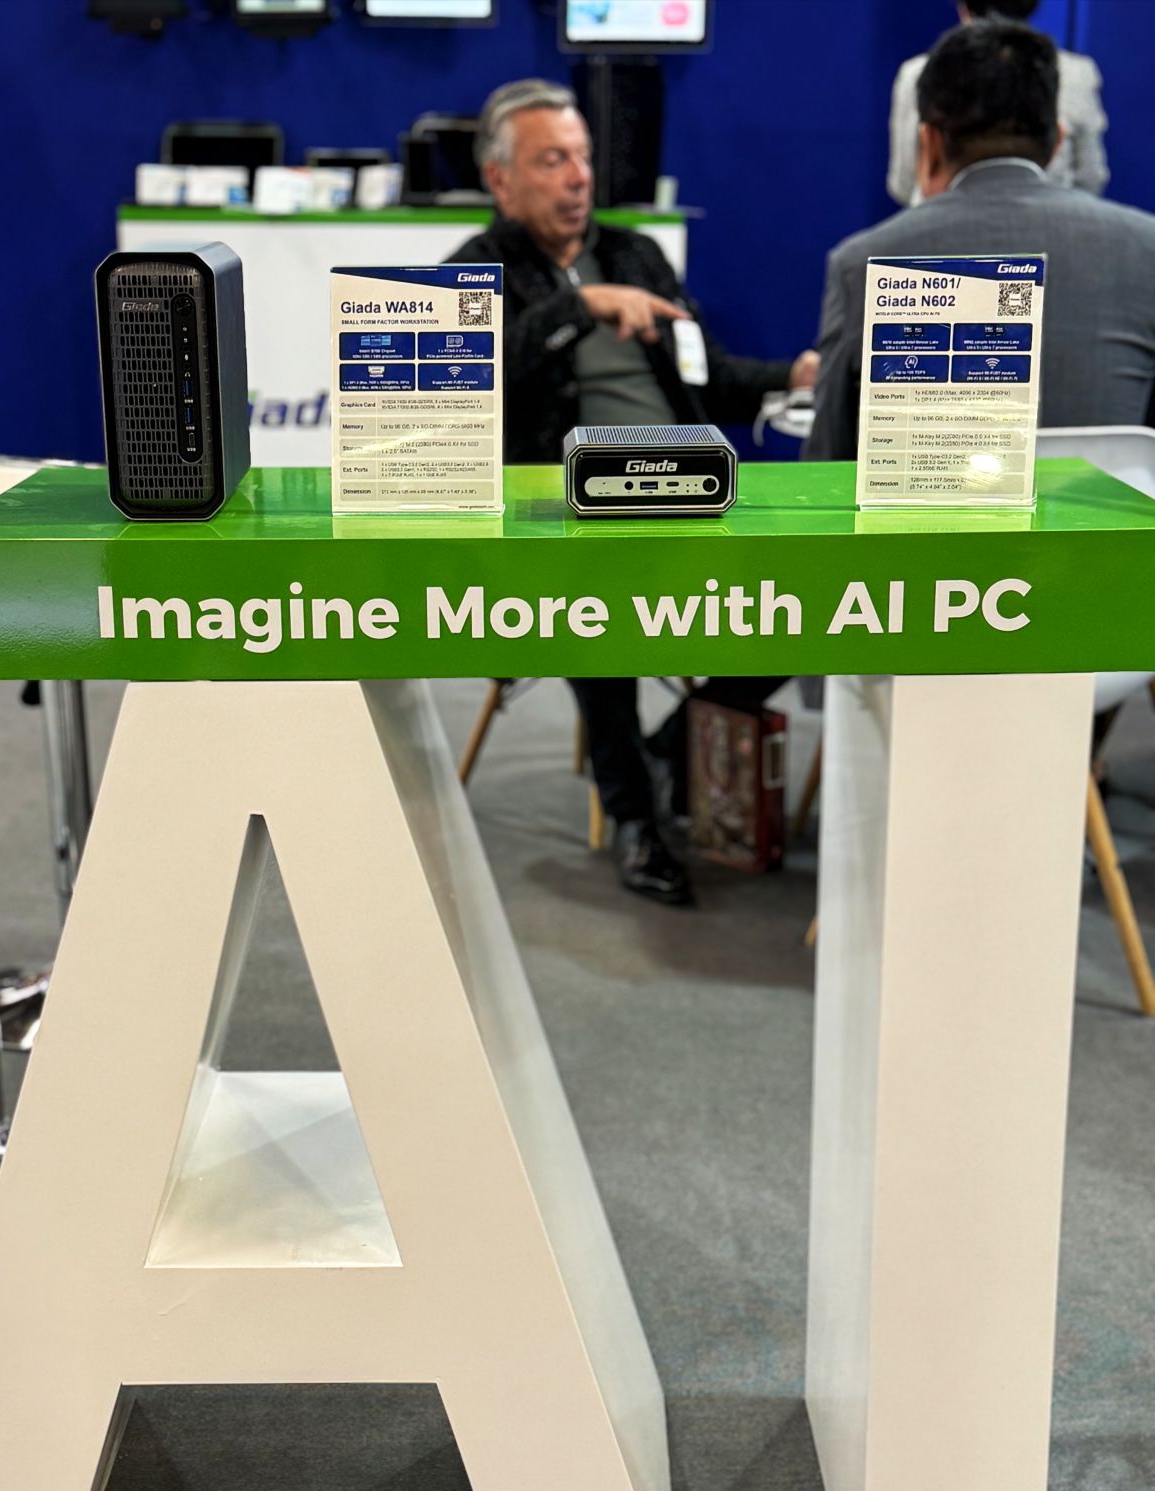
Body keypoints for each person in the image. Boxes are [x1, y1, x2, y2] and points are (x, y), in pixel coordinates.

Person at [449, 79, 815, 905]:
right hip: (562, 518)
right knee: (590, 597)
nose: (579, 177)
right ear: (500, 179)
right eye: (552, 160)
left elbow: (707, 375)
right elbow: (478, 378)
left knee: (804, 600)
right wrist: (578, 306)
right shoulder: (473, 273)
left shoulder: (636, 253)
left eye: (582, 157)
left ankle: (669, 749)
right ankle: (636, 818)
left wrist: (788, 376)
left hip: (683, 492)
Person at [807, 18, 1155, 465]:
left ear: (929, 142)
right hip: (1117, 512)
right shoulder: (1146, 248)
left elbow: (825, 465)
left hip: (925, 511)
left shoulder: (862, 263)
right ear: (1056, 142)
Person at [887, 0, 1108, 205]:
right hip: (1054, 226)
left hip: (935, 227)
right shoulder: (1076, 74)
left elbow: (904, 182)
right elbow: (1089, 178)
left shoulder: (916, 74)